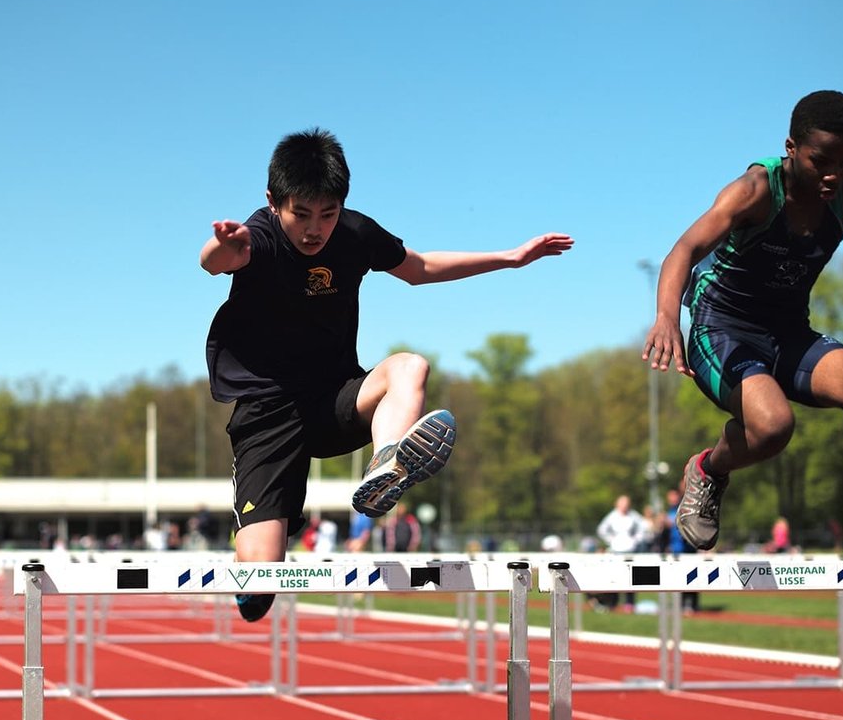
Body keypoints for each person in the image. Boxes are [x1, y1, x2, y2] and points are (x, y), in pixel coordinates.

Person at [201, 128, 572, 621]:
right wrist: (224, 245)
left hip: (334, 398)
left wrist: (510, 258)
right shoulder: (260, 235)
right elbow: (217, 263)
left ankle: (385, 465)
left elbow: (418, 267)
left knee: (409, 366)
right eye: (302, 215)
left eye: (328, 214)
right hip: (268, 413)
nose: (315, 230)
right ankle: (250, 546)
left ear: (342, 206)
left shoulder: (354, 234)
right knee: (259, 585)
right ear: (273, 202)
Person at [642, 90, 843, 566]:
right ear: (792, 148)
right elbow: (685, 249)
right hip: (721, 330)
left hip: (788, 332)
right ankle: (709, 469)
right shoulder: (754, 190)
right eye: (822, 160)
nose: (833, 174)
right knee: (774, 426)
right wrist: (666, 319)